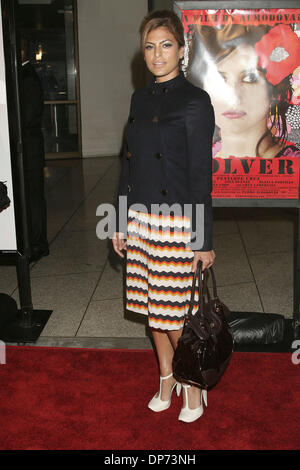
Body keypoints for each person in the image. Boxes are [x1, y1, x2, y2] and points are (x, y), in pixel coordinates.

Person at [112, 10, 215, 423]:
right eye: (150, 46)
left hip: (178, 222)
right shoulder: (139, 98)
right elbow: (128, 163)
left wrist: (203, 239)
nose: (157, 54)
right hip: (140, 220)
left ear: (182, 49)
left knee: (175, 315)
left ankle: (193, 385)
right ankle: (166, 377)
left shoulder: (195, 101)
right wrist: (120, 219)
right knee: (154, 312)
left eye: (166, 44)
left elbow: (200, 176)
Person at [186, 23, 300, 159]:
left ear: (274, 91)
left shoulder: (294, 164)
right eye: (219, 78)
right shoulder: (196, 161)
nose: (234, 95)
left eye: (250, 77)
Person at [20, 36, 49, 261]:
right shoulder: (21, 75)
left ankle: (38, 244)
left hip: (29, 149)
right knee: (28, 196)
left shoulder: (27, 77)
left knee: (33, 197)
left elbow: (28, 117)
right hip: (27, 147)